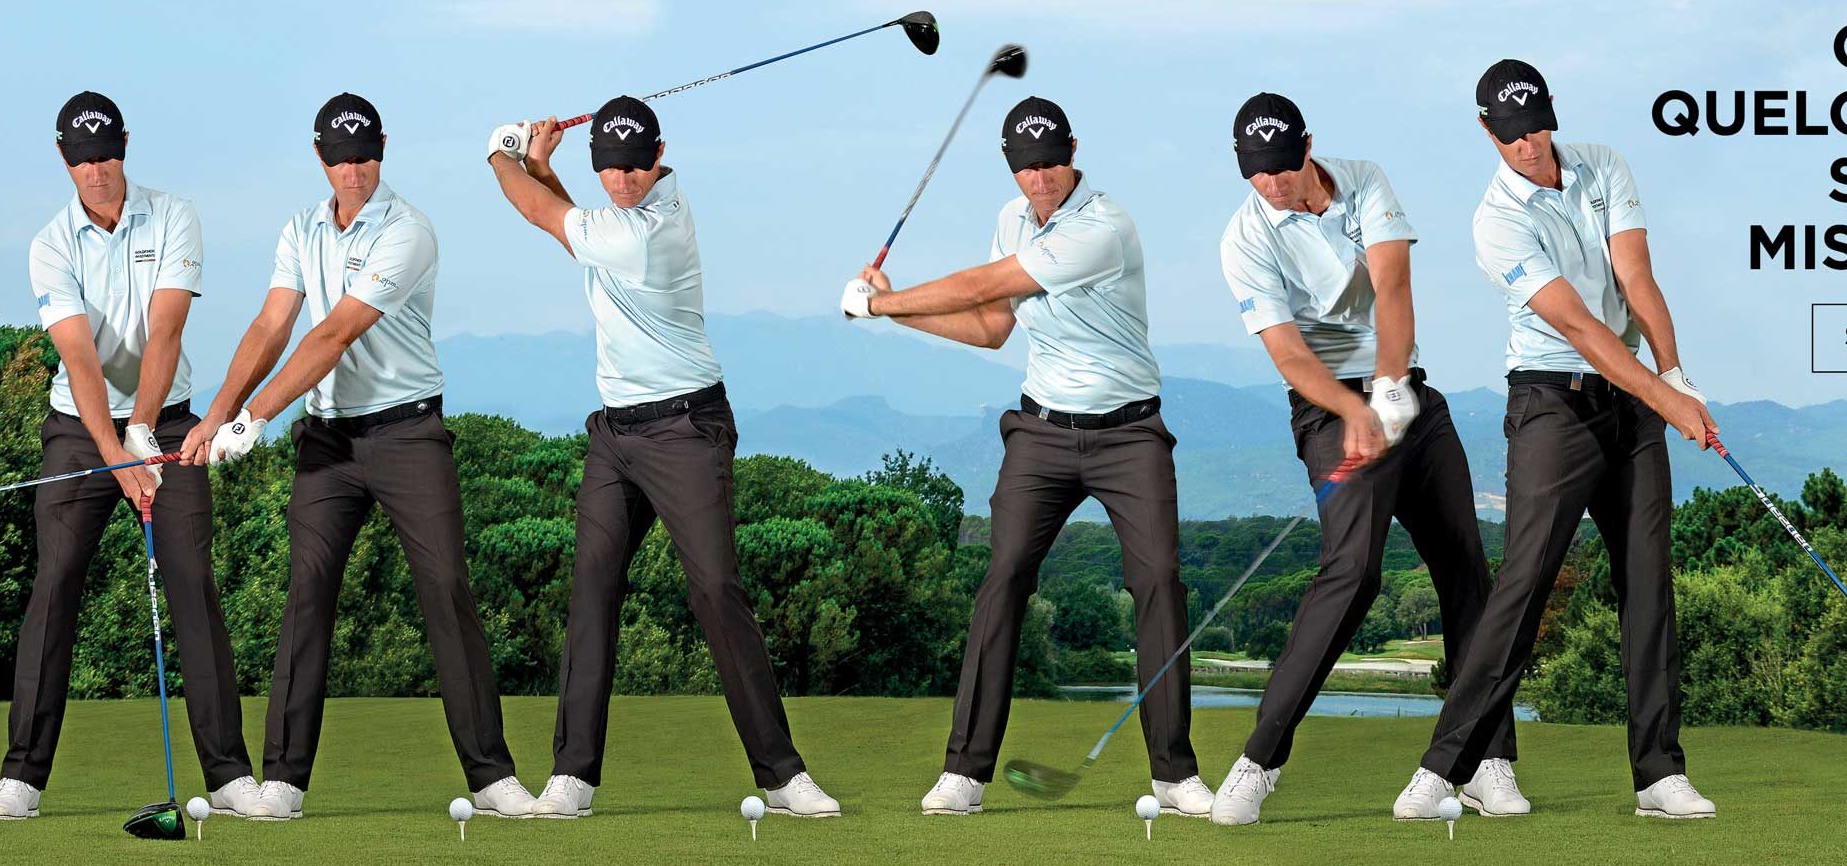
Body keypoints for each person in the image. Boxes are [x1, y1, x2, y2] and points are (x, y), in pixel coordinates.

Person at [839, 97, 1211, 817]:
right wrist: (893, 313)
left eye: (1050, 162)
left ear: (1074, 150)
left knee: (1159, 581)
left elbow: (989, 286)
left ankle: (1174, 776)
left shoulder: (1104, 226)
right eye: (1025, 166)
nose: (1040, 178)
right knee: (1004, 578)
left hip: (1129, 434)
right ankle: (964, 773)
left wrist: (883, 304)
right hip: (1040, 434)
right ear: (1010, 166)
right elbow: (989, 327)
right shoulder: (1012, 218)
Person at [181, 93, 536, 820]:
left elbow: (334, 335)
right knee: (307, 593)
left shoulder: (408, 230)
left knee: (446, 587)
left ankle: (491, 777)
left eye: (366, 155)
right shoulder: (300, 228)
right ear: (321, 159)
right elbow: (272, 325)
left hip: (408, 435)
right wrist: (215, 416)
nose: (355, 171)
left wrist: (256, 416)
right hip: (328, 442)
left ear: (383, 149)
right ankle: (283, 781)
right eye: (342, 159)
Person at [483, 98, 840, 819]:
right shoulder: (620, 220)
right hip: (614, 435)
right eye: (609, 169)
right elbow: (570, 228)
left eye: (634, 167)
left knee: (715, 590)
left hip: (685, 430)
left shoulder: (657, 229)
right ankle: (573, 775)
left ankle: (782, 774)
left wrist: (501, 152)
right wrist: (542, 169)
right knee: (592, 592)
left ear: (660, 154)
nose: (622, 181)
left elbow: (540, 215)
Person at [1396, 59, 1716, 821]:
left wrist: (1677, 375)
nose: (1528, 144)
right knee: (1525, 583)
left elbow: (1636, 279)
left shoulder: (1603, 166)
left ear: (1551, 114)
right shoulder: (1495, 221)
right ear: (1488, 132)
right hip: (1551, 403)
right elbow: (1577, 325)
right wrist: (1666, 398)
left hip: (1632, 400)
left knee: (1648, 583)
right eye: (1512, 134)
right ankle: (1444, 767)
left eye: (1536, 127)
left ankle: (1658, 776)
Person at [1204, 93, 1520, 826]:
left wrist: (1389, 386)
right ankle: (1259, 762)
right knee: (1353, 572)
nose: (1273, 182)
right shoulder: (1243, 238)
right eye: (1257, 172)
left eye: (1284, 166)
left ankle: (1486, 761)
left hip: (1406, 391)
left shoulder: (1364, 181)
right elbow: (1288, 355)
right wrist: (1356, 412)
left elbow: (1393, 287)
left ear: (1308, 147)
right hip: (1328, 407)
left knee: (1467, 570)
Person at [0, 92, 261, 822]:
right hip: (80, 430)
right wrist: (115, 451)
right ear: (63, 159)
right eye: (83, 160)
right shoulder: (50, 244)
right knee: (55, 584)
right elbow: (78, 357)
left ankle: (229, 775)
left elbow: (165, 332)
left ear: (126, 145)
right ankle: (22, 776)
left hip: (168, 424)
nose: (97, 171)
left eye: (106, 155)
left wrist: (141, 434)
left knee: (192, 582)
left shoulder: (173, 216)